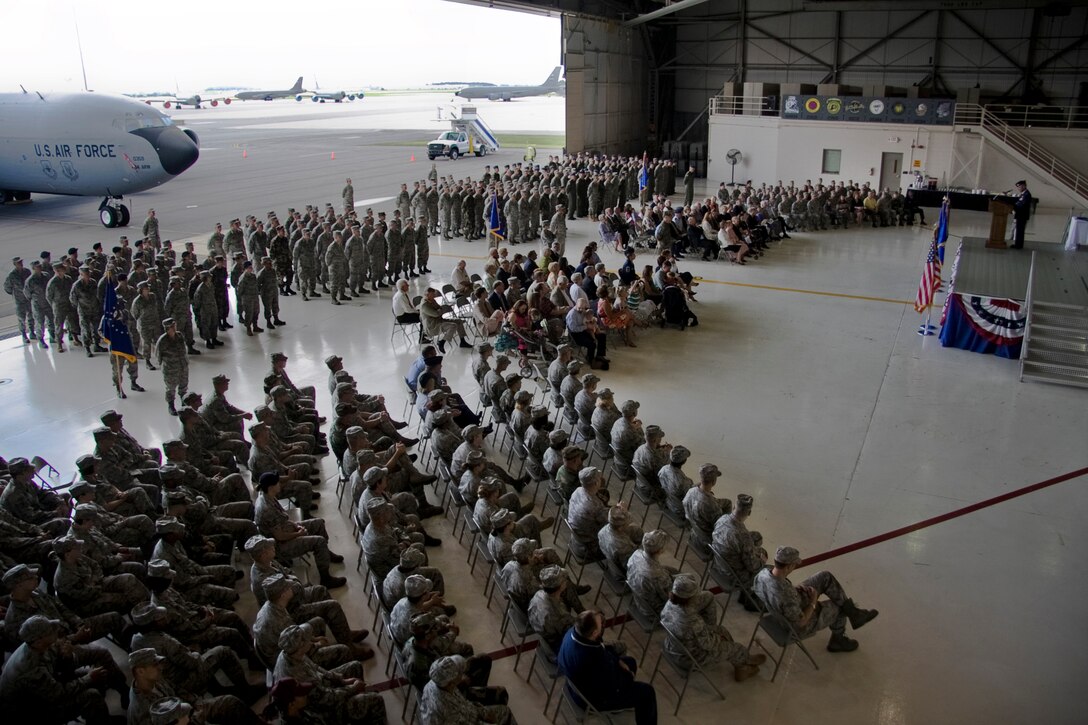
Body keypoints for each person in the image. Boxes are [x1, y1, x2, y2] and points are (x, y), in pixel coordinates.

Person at [753, 546, 879, 652]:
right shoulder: (786, 595)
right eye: (794, 565)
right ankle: (838, 640)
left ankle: (855, 614)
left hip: (783, 608)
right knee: (838, 606)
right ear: (788, 567)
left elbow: (779, 594)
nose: (794, 567)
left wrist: (796, 591)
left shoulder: (763, 574)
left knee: (824, 577)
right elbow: (800, 622)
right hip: (795, 625)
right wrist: (813, 602)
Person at [558, 610, 658, 725]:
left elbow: (602, 649)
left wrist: (618, 661)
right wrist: (628, 676)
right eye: (601, 622)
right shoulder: (592, 658)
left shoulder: (574, 632)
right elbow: (612, 685)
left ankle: (625, 701)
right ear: (595, 633)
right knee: (647, 692)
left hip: (576, 684)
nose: (602, 620)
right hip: (594, 698)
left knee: (630, 662)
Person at [660, 573, 766, 682]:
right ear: (690, 598)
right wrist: (718, 639)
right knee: (736, 648)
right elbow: (709, 645)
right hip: (690, 658)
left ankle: (741, 660)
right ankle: (743, 668)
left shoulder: (669, 605)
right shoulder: (694, 622)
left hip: (672, 647)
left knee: (722, 630)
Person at [710, 493, 766, 610]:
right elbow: (752, 567)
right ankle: (749, 598)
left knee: (756, 539)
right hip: (733, 574)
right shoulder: (742, 535)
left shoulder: (722, 519)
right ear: (749, 513)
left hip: (718, 563)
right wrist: (762, 561)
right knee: (764, 560)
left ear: (734, 507)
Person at [420, 654, 512, 725]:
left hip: (465, 714)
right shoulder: (449, 710)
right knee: (505, 712)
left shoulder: (434, 683)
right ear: (451, 682)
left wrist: (482, 713)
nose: (462, 674)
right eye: (459, 673)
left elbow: (465, 707)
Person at [1011, 180, 1031, 249]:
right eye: (1018, 187)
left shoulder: (1027, 194)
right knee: (1019, 230)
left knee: (1020, 231)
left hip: (1022, 215)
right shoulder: (1023, 194)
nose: (1019, 188)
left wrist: (1015, 207)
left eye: (1020, 187)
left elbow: (1023, 205)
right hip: (1020, 215)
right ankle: (1017, 244)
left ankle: (1018, 245)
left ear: (1024, 186)